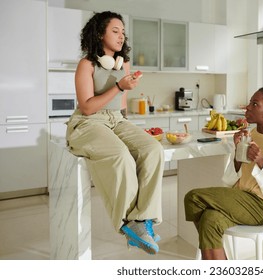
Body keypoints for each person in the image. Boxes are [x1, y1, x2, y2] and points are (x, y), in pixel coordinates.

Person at [65, 11, 164, 255]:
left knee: (153, 149)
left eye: (123, 32)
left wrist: (128, 128)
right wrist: (119, 85)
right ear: (100, 33)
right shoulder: (87, 64)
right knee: (120, 155)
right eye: (115, 31)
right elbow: (87, 106)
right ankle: (129, 224)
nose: (121, 36)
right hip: (88, 122)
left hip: (116, 120)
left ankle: (144, 219)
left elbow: (120, 106)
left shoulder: (124, 64)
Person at [184, 87, 263, 260]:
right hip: (239, 197)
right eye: (250, 102)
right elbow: (232, 177)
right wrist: (237, 151)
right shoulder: (249, 135)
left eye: (255, 104)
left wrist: (261, 161)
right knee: (209, 220)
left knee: (193, 197)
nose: (248, 108)